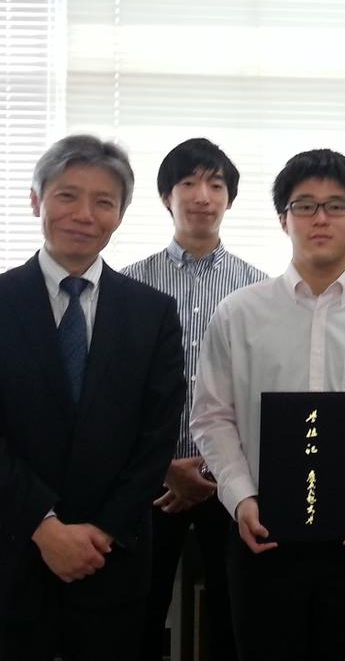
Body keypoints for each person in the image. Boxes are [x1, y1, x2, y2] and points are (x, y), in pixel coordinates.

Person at [190, 149, 345, 661]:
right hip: (262, 530)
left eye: (337, 206)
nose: (320, 218)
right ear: (284, 219)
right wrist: (241, 498)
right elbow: (212, 417)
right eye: (304, 205)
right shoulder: (238, 314)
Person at [0, 135, 186, 660]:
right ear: (36, 201)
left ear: (120, 215)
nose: (84, 214)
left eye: (103, 201)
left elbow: (156, 437)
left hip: (113, 556)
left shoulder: (152, 313)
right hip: (14, 549)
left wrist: (102, 530)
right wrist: (43, 526)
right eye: (67, 195)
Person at [123, 138, 268, 661]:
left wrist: (212, 468)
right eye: (188, 183)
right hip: (150, 480)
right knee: (137, 611)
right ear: (167, 196)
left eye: (215, 184)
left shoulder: (258, 288)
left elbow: (260, 389)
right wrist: (165, 466)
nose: (202, 195)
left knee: (236, 613)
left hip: (230, 480)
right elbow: (117, 392)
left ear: (229, 197)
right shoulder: (130, 284)